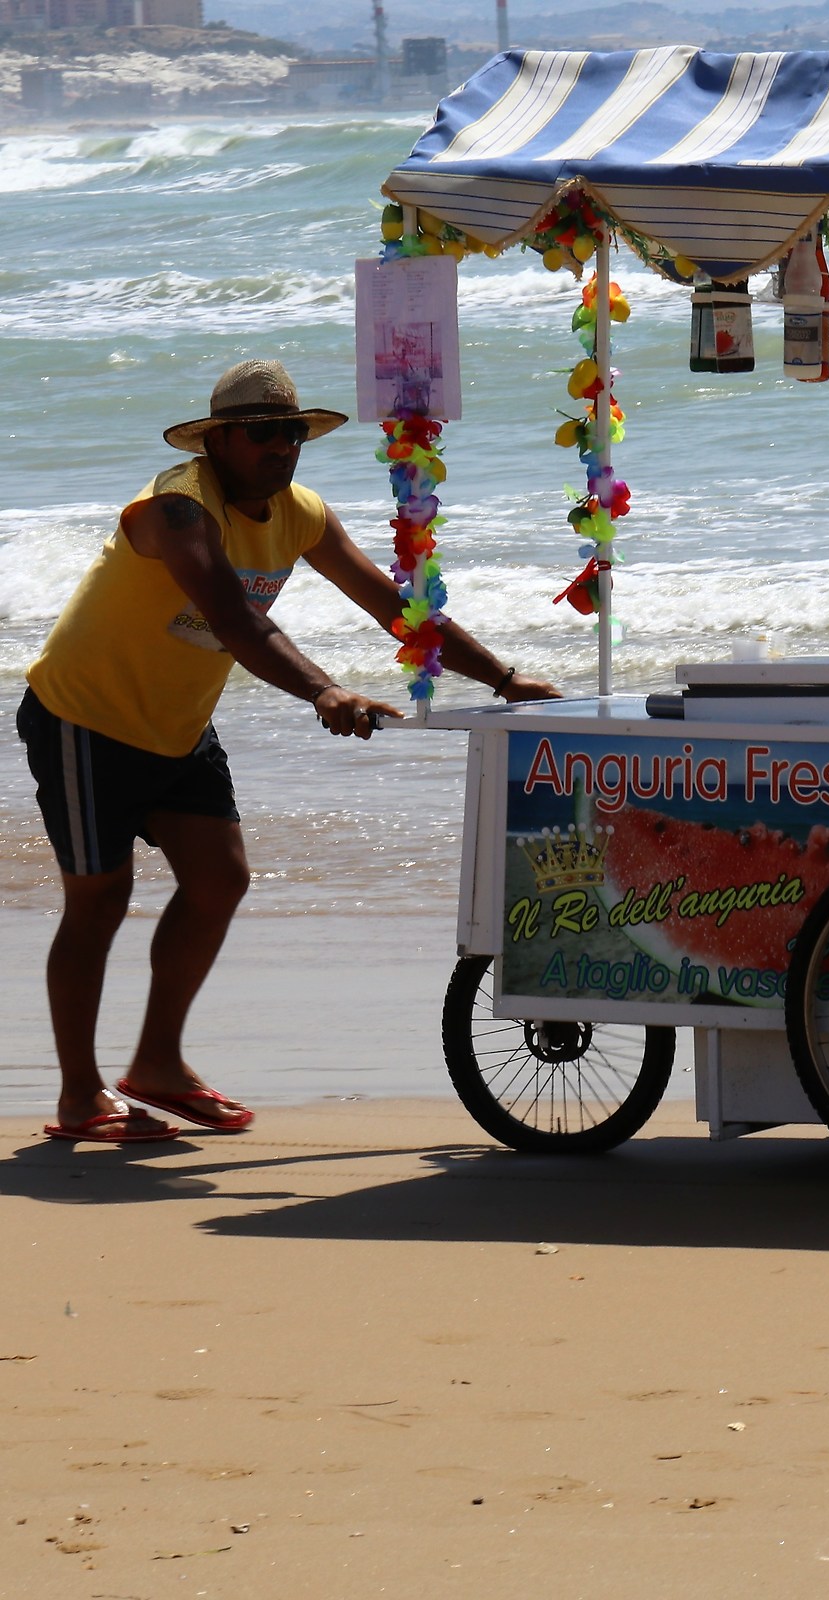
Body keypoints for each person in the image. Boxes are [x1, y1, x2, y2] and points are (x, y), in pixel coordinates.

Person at [21, 359, 561, 1143]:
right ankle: (79, 1095)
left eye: (295, 434)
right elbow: (237, 623)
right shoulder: (177, 507)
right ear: (219, 441)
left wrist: (506, 677)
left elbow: (395, 608)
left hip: (174, 724)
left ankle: (159, 1066)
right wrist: (324, 690)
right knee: (99, 901)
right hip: (85, 717)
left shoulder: (301, 513)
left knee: (220, 879)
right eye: (265, 434)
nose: (284, 449)